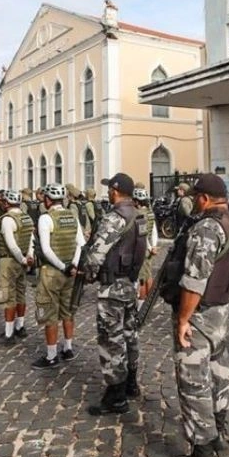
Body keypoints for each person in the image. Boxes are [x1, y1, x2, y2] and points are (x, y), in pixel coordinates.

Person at [163, 173, 229, 457]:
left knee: (194, 382)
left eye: (196, 196)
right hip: (219, 312)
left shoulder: (206, 228)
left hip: (201, 314)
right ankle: (218, 432)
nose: (193, 201)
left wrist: (183, 319)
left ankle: (202, 456)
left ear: (205, 199)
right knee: (219, 373)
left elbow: (195, 280)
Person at [81, 172, 147, 415]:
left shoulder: (114, 218)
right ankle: (131, 383)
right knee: (130, 335)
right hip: (130, 283)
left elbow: (96, 254)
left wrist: (88, 275)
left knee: (112, 339)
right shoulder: (139, 216)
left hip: (112, 287)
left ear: (116, 191)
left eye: (110, 189)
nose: (108, 192)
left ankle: (116, 396)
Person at [31, 184, 84, 369]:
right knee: (68, 311)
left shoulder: (46, 218)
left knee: (50, 313)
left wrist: (63, 267)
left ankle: (51, 355)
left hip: (52, 272)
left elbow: (46, 249)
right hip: (71, 272)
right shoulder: (72, 216)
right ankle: (68, 348)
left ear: (47, 199)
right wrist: (73, 265)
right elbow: (81, 244)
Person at [0, 190, 35, 347]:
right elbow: (31, 239)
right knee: (20, 294)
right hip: (22, 260)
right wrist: (28, 257)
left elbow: (11, 244)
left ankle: (9, 334)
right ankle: (20, 327)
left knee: (8, 296)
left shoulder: (7, 219)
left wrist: (22, 258)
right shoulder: (26, 217)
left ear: (6, 203)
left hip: (9, 260)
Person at [133, 185, 159, 312]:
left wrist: (149, 247)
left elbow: (142, 234)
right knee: (148, 274)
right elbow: (153, 232)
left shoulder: (138, 215)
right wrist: (153, 246)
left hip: (142, 248)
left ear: (137, 201)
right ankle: (150, 301)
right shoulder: (150, 213)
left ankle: (142, 305)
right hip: (149, 248)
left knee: (142, 278)